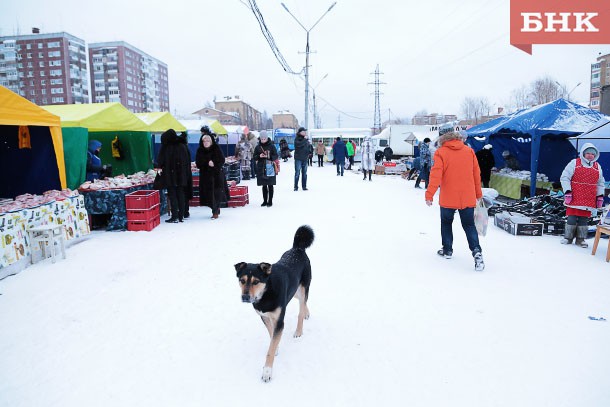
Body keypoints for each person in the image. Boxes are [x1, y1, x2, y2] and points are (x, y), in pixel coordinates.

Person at [425, 131, 485, 272]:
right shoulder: (469, 152)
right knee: (469, 225)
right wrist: (478, 193)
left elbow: (436, 175)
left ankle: (447, 250)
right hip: (467, 196)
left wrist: (429, 194)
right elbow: (476, 174)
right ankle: (477, 252)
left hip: (448, 197)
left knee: (446, 223)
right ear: (459, 139)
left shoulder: (441, 153)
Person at [559, 143, 605, 248]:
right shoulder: (574, 163)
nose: (590, 156)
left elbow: (600, 183)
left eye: (592, 154)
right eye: (588, 153)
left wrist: (599, 196)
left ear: (595, 155)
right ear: (583, 153)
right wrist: (567, 191)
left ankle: (581, 239)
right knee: (571, 217)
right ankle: (568, 237)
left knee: (584, 219)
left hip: (589, 197)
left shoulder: (597, 167)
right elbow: (565, 177)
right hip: (574, 196)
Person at [156, 129, 191, 223]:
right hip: (181, 174)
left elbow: (161, 161)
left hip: (170, 174)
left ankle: (174, 216)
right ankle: (181, 215)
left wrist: (160, 167)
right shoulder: (182, 146)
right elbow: (187, 161)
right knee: (181, 193)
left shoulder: (166, 147)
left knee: (172, 194)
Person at [195, 133, 226, 219]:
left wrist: (214, 163)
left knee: (216, 193)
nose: (206, 142)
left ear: (211, 141)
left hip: (216, 175)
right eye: (204, 141)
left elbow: (222, 160)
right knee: (208, 194)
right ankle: (214, 207)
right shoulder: (200, 150)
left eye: (208, 141)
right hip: (205, 176)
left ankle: (215, 211)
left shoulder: (216, 148)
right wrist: (206, 163)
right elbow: (198, 163)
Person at [253, 131, 279, 207]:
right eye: (262, 139)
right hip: (261, 167)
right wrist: (259, 156)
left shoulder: (272, 146)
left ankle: (270, 201)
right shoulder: (257, 147)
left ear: (267, 138)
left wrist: (269, 157)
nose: (263, 140)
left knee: (270, 184)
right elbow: (254, 157)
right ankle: (264, 201)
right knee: (263, 185)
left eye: (264, 138)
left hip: (270, 166)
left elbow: (276, 156)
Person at [293, 127, 309, 191]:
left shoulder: (306, 140)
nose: (305, 133)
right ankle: (295, 186)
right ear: (300, 132)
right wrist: (305, 140)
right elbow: (299, 145)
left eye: (305, 131)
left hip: (305, 158)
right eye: (303, 131)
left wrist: (309, 152)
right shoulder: (297, 139)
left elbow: (307, 147)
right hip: (298, 158)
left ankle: (304, 186)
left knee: (304, 173)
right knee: (297, 173)